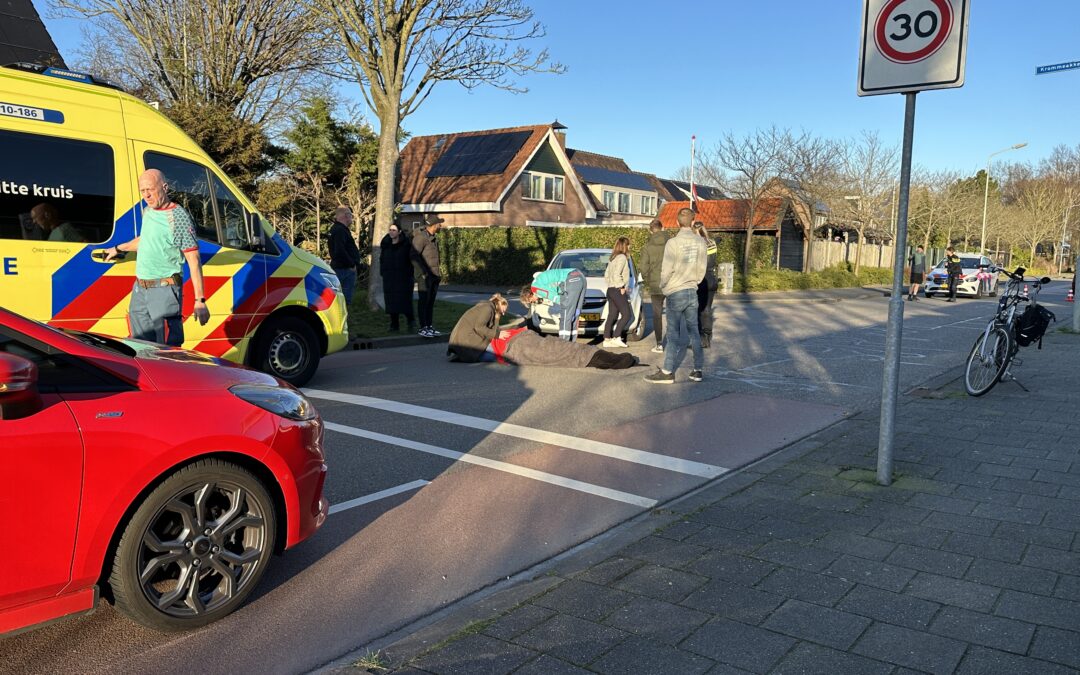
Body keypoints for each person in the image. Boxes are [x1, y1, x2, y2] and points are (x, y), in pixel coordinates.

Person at [99, 169, 209, 346]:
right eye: (143, 191)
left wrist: (200, 300)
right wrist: (118, 248)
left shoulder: (178, 217)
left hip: (164, 289)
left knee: (164, 351)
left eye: (150, 189)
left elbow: (193, 259)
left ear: (164, 187)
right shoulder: (148, 211)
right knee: (140, 347)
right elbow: (147, 239)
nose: (146, 195)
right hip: (140, 289)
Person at [447, 294, 637, 369]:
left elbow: (485, 329)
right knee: (556, 351)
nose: (503, 313)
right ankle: (608, 359)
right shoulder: (487, 308)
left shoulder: (485, 308)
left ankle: (607, 358)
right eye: (503, 310)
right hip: (509, 344)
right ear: (499, 304)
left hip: (514, 340)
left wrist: (498, 327)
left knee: (557, 347)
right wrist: (497, 334)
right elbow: (481, 329)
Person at [645, 207, 706, 384]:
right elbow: (701, 269)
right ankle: (697, 370)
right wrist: (694, 282)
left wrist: (665, 287)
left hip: (675, 291)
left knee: (673, 334)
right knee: (694, 332)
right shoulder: (700, 242)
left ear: (677, 222)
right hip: (691, 290)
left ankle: (667, 371)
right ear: (693, 222)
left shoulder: (672, 243)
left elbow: (666, 270)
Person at [521, 266, 587, 340]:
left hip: (570, 278)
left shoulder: (535, 287)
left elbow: (554, 297)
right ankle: (572, 343)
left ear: (529, 295)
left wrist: (563, 305)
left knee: (565, 315)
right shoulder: (540, 281)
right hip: (580, 276)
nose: (534, 302)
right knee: (575, 313)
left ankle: (564, 344)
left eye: (531, 301)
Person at [637, 218, 668, 354]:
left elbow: (643, 267)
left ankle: (659, 344)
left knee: (657, 314)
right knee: (676, 313)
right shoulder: (672, 243)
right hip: (672, 282)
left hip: (656, 283)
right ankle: (675, 342)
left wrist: (648, 277)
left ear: (651, 231)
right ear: (662, 227)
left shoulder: (647, 247)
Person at [412, 214, 444, 337]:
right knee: (423, 301)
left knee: (430, 302)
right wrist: (423, 273)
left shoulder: (433, 237)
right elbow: (414, 256)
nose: (440, 226)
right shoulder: (420, 238)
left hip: (434, 276)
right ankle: (422, 327)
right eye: (439, 224)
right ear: (433, 225)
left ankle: (429, 326)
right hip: (425, 277)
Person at [379, 224, 415, 332]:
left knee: (405, 300)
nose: (391, 232)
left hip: (403, 278)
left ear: (399, 232)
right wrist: (384, 272)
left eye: (394, 230)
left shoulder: (406, 245)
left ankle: (411, 321)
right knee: (391, 302)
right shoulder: (386, 245)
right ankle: (394, 324)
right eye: (390, 230)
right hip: (389, 278)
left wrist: (409, 274)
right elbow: (382, 260)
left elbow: (411, 260)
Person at [602, 236, 634, 348]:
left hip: (610, 290)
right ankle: (616, 337)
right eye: (628, 245)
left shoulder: (613, 257)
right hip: (617, 289)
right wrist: (621, 286)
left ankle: (607, 339)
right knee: (627, 314)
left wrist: (611, 284)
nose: (630, 247)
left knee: (612, 315)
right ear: (625, 246)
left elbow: (606, 275)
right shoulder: (622, 258)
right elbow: (617, 274)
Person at [693, 221, 718, 348]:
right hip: (712, 278)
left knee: (697, 310)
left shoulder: (697, 245)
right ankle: (707, 338)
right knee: (707, 309)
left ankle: (699, 339)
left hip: (701, 279)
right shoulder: (712, 243)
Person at [328, 206, 360, 305]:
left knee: (339, 298)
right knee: (344, 300)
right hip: (344, 269)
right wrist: (351, 264)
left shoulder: (337, 229)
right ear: (346, 216)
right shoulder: (340, 230)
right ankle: (342, 319)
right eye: (351, 215)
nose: (352, 218)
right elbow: (339, 251)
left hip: (340, 268)